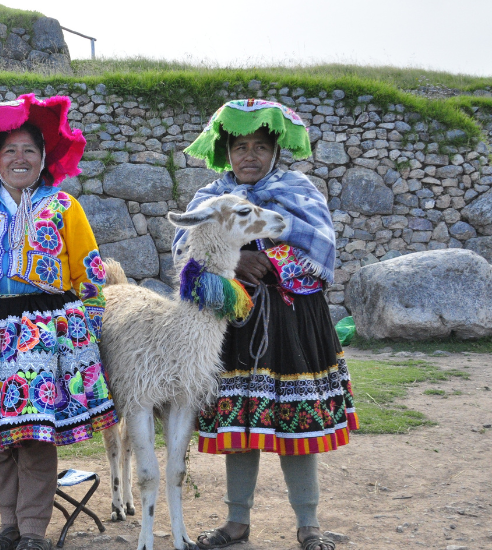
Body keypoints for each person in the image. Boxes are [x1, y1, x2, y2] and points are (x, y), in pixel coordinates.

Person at [173, 99, 358, 550]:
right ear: (227, 153)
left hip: (291, 319)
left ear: (275, 151)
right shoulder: (210, 199)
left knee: (296, 423)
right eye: (240, 147)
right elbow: (189, 247)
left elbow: (320, 245)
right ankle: (236, 523)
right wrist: (237, 261)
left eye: (259, 146)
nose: (249, 155)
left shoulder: (299, 190)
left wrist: (265, 256)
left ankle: (308, 524)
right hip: (234, 325)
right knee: (241, 425)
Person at [0, 94, 118, 550]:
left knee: (35, 436)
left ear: (43, 158)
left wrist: (89, 332)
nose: (20, 158)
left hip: (43, 332)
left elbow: (89, 270)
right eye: (10, 151)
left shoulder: (64, 206)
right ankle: (7, 527)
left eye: (29, 150)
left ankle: (32, 532)